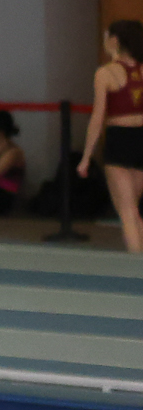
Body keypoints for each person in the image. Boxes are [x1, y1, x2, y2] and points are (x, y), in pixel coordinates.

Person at [72, 18, 143, 254]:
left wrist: (86, 158)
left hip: (119, 140)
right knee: (134, 209)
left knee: (127, 212)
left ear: (114, 41)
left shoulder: (105, 73)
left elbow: (98, 118)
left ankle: (136, 267)